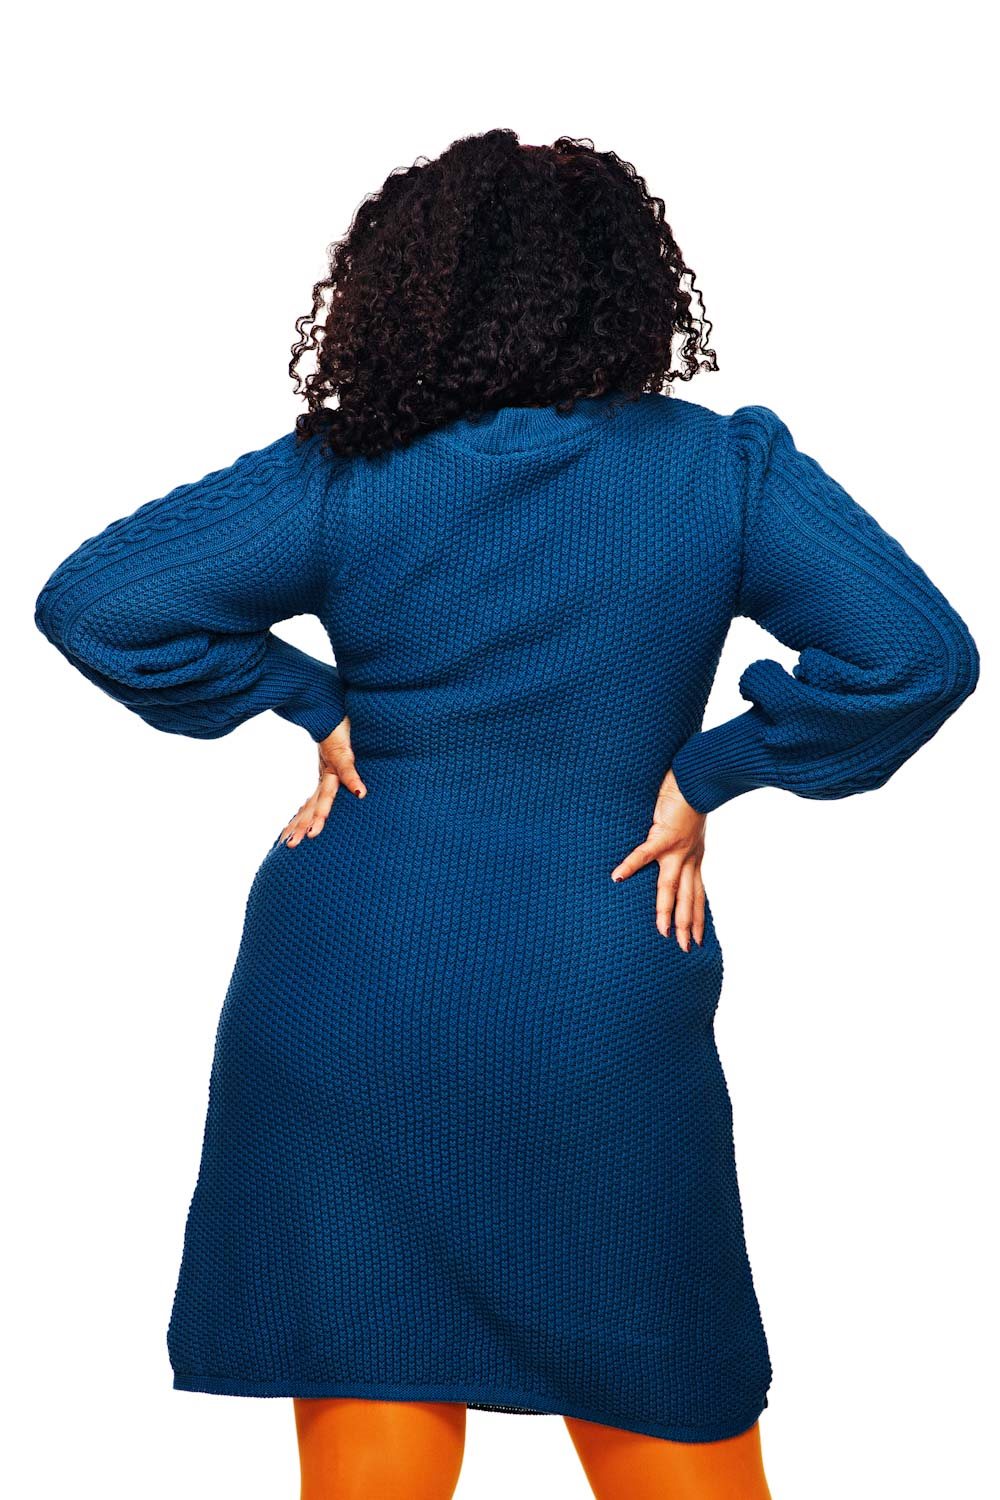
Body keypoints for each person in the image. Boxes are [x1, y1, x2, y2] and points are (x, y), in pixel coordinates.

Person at [33, 128, 979, 1500]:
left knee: (374, 1408)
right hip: (595, 967)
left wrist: (307, 701)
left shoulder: (343, 473)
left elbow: (99, 601)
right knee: (667, 1386)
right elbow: (916, 655)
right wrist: (708, 774)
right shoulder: (722, 473)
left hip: (349, 980)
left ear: (408, 286)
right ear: (628, 285)